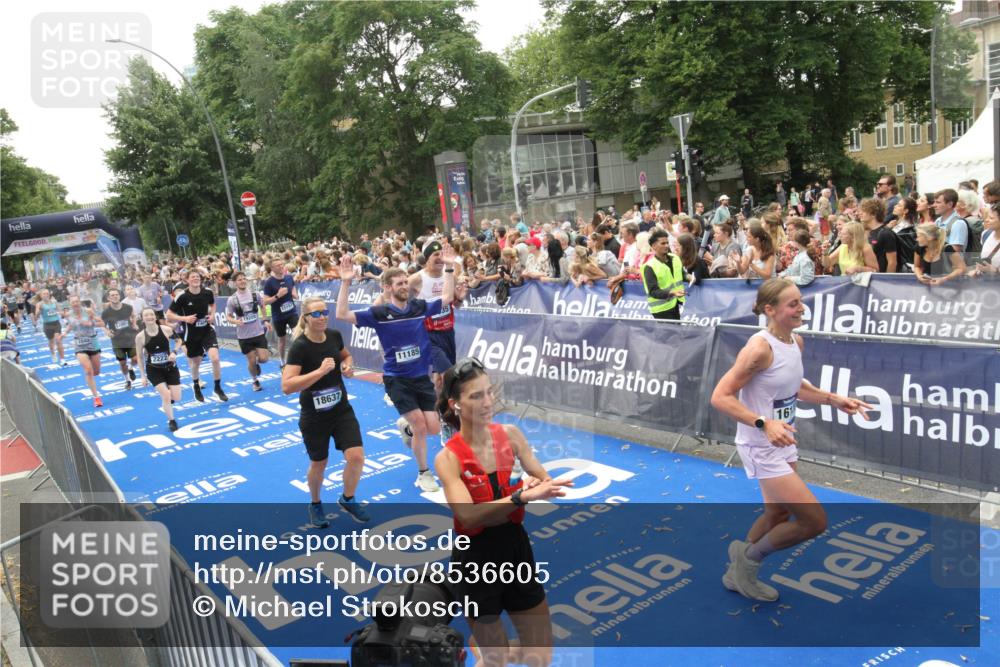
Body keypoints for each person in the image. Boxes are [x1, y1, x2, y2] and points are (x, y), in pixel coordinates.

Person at [710, 278, 871, 602]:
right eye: (793, 304)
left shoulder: (795, 342)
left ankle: (740, 557)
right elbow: (720, 396)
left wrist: (834, 399)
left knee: (778, 515)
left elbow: (794, 386)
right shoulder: (759, 348)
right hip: (760, 444)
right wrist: (763, 422)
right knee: (813, 521)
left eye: (800, 301)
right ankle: (748, 563)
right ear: (770, 309)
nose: (801, 308)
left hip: (784, 440)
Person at [434, 358, 572, 667]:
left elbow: (540, 474)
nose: (487, 403)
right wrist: (520, 496)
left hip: (515, 547)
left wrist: (541, 480)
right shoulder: (448, 458)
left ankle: (483, 648)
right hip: (474, 559)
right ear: (455, 404)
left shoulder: (510, 434)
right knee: (495, 662)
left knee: (540, 656)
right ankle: (487, 651)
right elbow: (467, 516)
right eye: (475, 396)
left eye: (488, 392)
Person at [336, 248, 457, 492]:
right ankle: (424, 473)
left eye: (405, 281)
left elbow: (447, 297)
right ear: (388, 288)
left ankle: (407, 428)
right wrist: (346, 282)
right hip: (396, 379)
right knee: (422, 427)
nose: (405, 285)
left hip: (421, 377)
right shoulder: (379, 313)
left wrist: (450, 268)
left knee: (432, 427)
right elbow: (341, 314)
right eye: (399, 283)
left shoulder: (418, 307)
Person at [283, 296, 370, 528]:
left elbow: (346, 355)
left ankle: (348, 499)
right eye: (316, 314)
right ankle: (315, 503)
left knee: (356, 457)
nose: (322, 317)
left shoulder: (334, 335)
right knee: (319, 464)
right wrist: (319, 372)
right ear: (306, 318)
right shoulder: (300, 346)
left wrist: (347, 366)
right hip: (314, 417)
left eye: (324, 312)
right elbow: (287, 386)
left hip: (341, 410)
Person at [166, 270, 228, 402]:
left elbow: (213, 304)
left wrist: (212, 315)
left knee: (215, 359)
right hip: (192, 334)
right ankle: (196, 385)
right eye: (193, 277)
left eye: (197, 277)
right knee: (196, 363)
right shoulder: (182, 296)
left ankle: (217, 388)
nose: (196, 278)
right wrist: (184, 318)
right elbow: (169, 315)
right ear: (187, 280)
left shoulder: (208, 292)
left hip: (207, 330)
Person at [135, 307, 183, 432]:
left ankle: (169, 399)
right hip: (154, 369)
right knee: (166, 395)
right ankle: (171, 420)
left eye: (151, 315)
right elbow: (140, 357)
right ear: (143, 319)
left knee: (176, 397)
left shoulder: (166, 329)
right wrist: (142, 375)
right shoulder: (140, 337)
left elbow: (179, 341)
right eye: (146, 315)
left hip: (170, 367)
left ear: (155, 317)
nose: (149, 317)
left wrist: (174, 352)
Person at [225, 271, 271, 392]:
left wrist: (265, 320)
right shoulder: (232, 299)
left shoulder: (255, 294)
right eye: (239, 280)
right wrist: (236, 322)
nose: (242, 281)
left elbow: (263, 306)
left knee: (264, 359)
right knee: (250, 359)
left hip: (258, 332)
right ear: (235, 283)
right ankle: (255, 380)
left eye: (244, 278)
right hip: (244, 336)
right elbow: (228, 316)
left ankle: (257, 362)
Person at [64, 295, 104, 408]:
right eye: (73, 302)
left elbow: (101, 323)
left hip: (92, 343)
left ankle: (93, 385)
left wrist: (91, 324)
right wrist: (64, 334)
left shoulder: (88, 311)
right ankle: (96, 397)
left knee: (96, 372)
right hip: (79, 345)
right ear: (70, 304)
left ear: (80, 302)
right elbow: (71, 325)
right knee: (88, 370)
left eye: (77, 301)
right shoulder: (68, 315)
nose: (75, 303)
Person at [642, 229, 686, 320]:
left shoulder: (675, 258)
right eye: (662, 243)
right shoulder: (649, 266)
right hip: (661, 309)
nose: (666, 245)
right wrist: (672, 292)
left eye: (667, 242)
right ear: (654, 246)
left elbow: (681, 274)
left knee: (676, 332)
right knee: (670, 334)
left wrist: (689, 277)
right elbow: (653, 291)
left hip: (675, 303)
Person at [262, 258, 300, 366]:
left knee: (298, 335)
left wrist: (295, 295)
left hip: (292, 312)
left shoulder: (289, 278)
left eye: (282, 264)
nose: (281, 266)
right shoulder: (269, 282)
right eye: (278, 265)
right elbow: (265, 301)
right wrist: (278, 295)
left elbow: (293, 289)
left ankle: (299, 360)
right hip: (278, 316)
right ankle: (282, 361)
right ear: (272, 268)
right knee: (282, 340)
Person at [100, 288, 139, 390]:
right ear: (108, 298)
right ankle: (127, 381)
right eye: (112, 295)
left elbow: (133, 315)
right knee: (122, 363)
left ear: (120, 296)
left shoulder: (128, 307)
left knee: (135, 359)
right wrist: (107, 332)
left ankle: (131, 368)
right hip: (117, 341)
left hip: (130, 337)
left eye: (116, 294)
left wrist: (134, 323)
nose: (115, 296)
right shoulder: (106, 312)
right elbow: (102, 325)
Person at [858, 198, 897, 273]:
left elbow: (892, 262)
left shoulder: (886, 233)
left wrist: (887, 280)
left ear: (873, 214)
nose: (860, 213)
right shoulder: (866, 232)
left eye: (864, 211)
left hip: (880, 278)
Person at [36, 288, 66, 365]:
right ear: (41, 295)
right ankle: (53, 353)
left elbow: (60, 310)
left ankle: (62, 359)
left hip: (56, 323)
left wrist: (63, 313)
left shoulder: (54, 302)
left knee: (58, 340)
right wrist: (39, 312)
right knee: (51, 341)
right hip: (47, 325)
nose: (46, 295)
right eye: (44, 294)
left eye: (47, 293)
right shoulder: (39, 304)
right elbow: (36, 315)